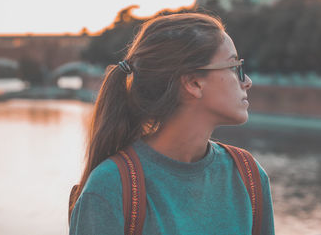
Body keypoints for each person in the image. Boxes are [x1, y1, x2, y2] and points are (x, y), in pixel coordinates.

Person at [68, 13, 275, 235]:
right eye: (235, 67)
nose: (247, 82)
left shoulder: (249, 176)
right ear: (194, 83)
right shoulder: (110, 188)